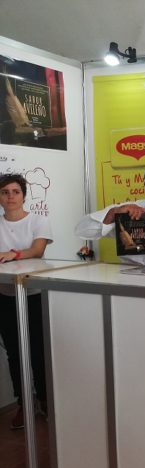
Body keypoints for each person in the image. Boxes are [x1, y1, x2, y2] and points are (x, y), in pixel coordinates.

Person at [0, 173, 53, 429]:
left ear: (23, 195)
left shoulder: (38, 220)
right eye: (5, 192)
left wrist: (13, 254)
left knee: (38, 350)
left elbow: (37, 250)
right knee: (14, 352)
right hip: (5, 295)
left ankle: (44, 400)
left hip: (34, 294)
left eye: (15, 192)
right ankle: (24, 403)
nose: (10, 196)